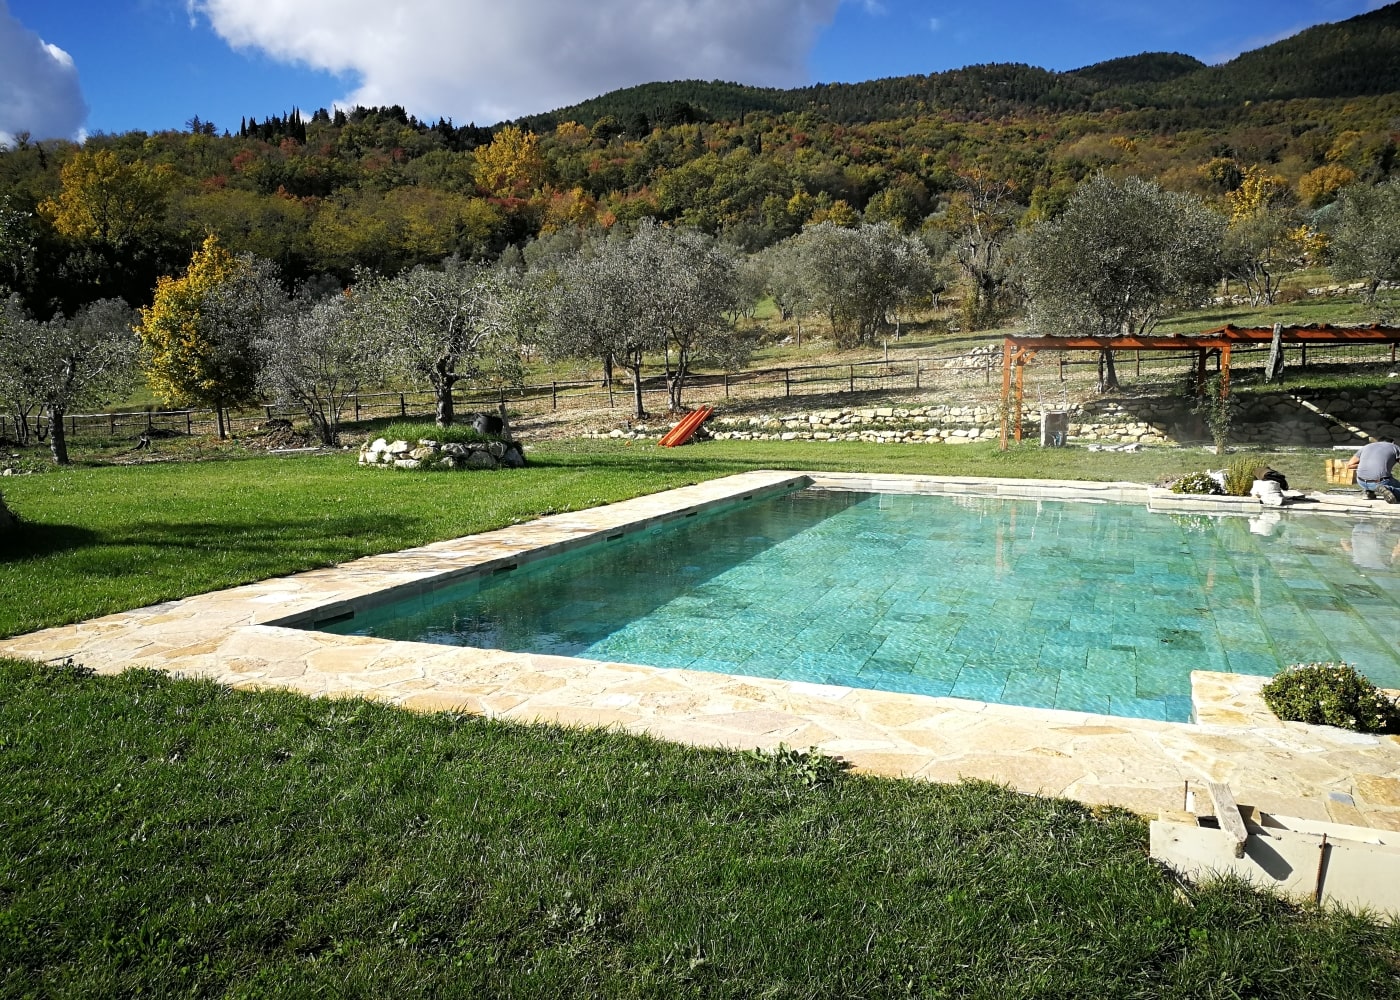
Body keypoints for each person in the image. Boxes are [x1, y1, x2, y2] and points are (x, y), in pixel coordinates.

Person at [1345, 437, 1400, 502]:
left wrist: (1364, 464)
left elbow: (1349, 465)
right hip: (1380, 482)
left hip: (1361, 481)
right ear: (1392, 443)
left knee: (1377, 477)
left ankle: (1368, 492)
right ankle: (1387, 489)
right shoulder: (1394, 447)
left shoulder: (1366, 447)